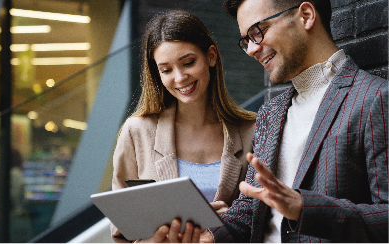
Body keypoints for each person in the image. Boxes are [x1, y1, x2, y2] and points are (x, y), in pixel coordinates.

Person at [153, 0, 388, 242]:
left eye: (258, 31)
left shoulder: (375, 99)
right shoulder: (271, 112)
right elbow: (250, 209)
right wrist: (210, 234)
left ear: (306, 16)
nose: (251, 50)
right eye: (246, 40)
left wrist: (305, 208)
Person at [110, 9, 258, 242]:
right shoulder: (137, 131)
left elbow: (264, 221)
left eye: (188, 63)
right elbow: (120, 231)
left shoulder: (252, 130)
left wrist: (229, 224)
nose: (179, 78)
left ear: (211, 56)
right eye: (166, 70)